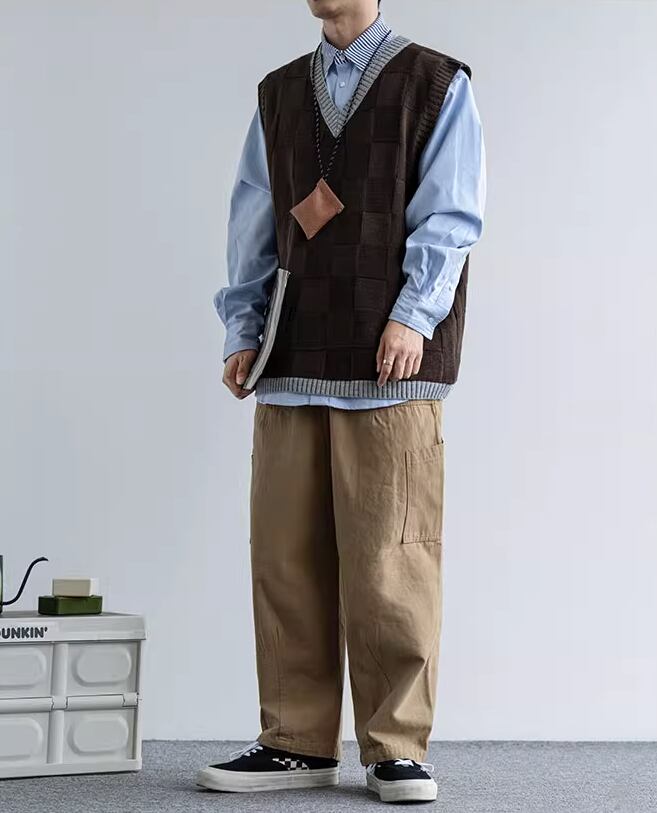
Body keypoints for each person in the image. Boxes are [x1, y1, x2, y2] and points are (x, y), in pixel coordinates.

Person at [197, 0, 486, 803]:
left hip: (388, 362)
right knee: (284, 556)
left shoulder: (434, 83)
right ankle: (293, 741)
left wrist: (413, 315)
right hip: (291, 355)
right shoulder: (278, 92)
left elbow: (451, 212)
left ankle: (396, 746)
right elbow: (253, 215)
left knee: (391, 557)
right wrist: (242, 327)